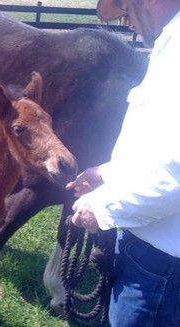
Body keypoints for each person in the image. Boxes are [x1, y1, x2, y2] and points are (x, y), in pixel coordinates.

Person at [65, 1, 180, 326]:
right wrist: (107, 173)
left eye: (126, 9)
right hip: (152, 246)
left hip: (161, 263)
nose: (127, 22)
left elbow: (175, 174)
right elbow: (159, 145)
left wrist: (103, 209)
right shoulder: (170, 45)